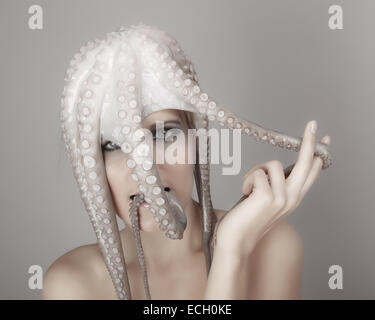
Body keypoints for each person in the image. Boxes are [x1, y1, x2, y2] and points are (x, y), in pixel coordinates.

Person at [43, 24, 331, 300]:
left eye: (165, 134)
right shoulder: (73, 283)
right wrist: (231, 255)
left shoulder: (273, 248)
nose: (146, 168)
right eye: (114, 145)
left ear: (196, 139)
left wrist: (232, 248)